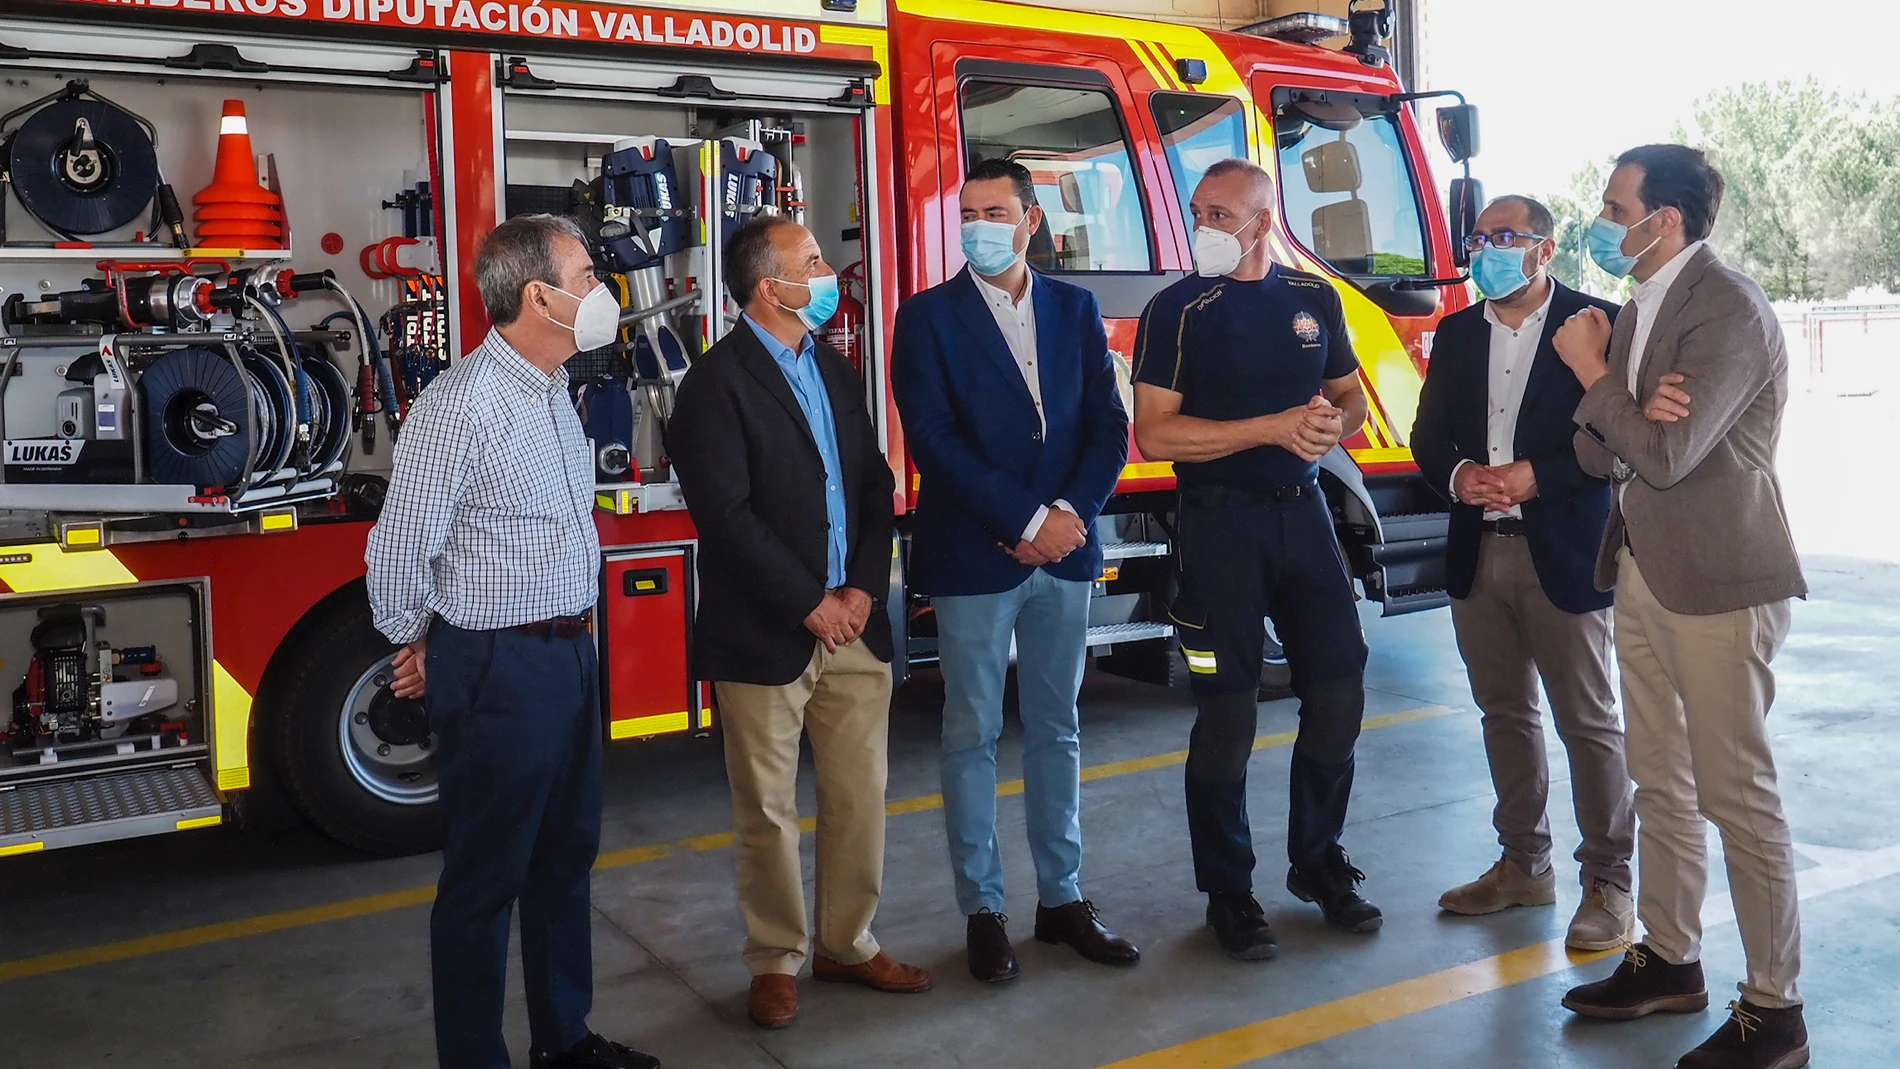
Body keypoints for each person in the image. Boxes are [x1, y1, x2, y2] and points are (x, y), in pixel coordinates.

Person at [365, 214, 659, 1069]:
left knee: (566, 859)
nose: (600, 292)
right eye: (585, 275)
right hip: (498, 667)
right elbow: (398, 546)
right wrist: (419, 637)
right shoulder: (460, 406)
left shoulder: (554, 394)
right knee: (485, 879)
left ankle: (564, 1042)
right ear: (539, 295)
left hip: (566, 657)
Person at [1553, 144, 1810, 1069]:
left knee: (1738, 795)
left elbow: (1664, 457)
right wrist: (1623, 400)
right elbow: (1595, 455)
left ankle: (1775, 1010)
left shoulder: (1727, 308)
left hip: (1717, 580)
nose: (1601, 215)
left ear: (1664, 221)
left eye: (1614, 202)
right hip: (1640, 569)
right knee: (1659, 782)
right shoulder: (1636, 311)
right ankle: (1669, 957)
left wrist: (1596, 380)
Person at [666, 215, 929, 1031]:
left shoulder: (837, 370)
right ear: (766, 285)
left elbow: (872, 485)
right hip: (768, 631)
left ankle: (847, 943)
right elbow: (727, 515)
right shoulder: (713, 383)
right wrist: (809, 601)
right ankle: (776, 957)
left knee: (860, 796)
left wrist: (856, 590)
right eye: (811, 261)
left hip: (854, 624)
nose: (826, 272)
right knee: (767, 809)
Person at [891, 158, 1136, 984]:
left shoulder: (1074, 308)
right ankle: (983, 909)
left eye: (995, 210)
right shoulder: (925, 318)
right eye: (969, 212)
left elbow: (1108, 425)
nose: (979, 224)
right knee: (971, 734)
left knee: (1058, 727)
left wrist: (1066, 517)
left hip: (1065, 556)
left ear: (1032, 220)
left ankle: (1062, 899)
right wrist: (1028, 520)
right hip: (976, 556)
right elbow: (933, 440)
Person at [1131, 158, 1379, 962]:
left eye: (1220, 213)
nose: (1203, 224)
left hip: (1304, 519)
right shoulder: (1175, 309)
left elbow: (1349, 397)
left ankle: (1318, 859)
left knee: (1339, 692)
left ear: (1263, 222)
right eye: (1197, 210)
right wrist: (1270, 427)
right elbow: (1156, 434)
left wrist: (1325, 427)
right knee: (1228, 717)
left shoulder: (1314, 299)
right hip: (1217, 529)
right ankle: (1229, 891)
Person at [1410, 195, 1636, 950]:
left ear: (1545, 250)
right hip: (1481, 551)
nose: (1489, 249)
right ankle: (1522, 864)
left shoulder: (1596, 323)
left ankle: (1609, 881)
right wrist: (1460, 472)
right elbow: (1427, 434)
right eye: (1480, 237)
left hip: (1566, 550)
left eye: (1507, 237)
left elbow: (1617, 433)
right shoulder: (1454, 333)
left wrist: (1541, 475)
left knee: (1589, 722)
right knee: (1504, 713)